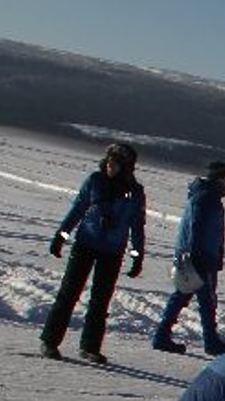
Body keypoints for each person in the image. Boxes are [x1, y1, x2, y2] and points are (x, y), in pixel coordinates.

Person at [40, 142, 147, 364]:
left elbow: (137, 226)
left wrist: (137, 257)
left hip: (112, 252)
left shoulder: (135, 193)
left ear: (126, 166)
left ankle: (90, 347)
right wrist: (61, 237)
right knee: (69, 293)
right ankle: (49, 342)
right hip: (85, 245)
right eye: (108, 161)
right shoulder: (95, 181)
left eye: (115, 163)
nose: (109, 165)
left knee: (100, 301)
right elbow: (77, 209)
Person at [152, 161, 225, 356]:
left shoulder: (204, 196)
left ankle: (162, 335)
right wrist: (197, 255)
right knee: (206, 301)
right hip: (199, 256)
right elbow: (197, 228)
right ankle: (210, 342)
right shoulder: (207, 198)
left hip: (195, 255)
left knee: (183, 295)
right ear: (220, 178)